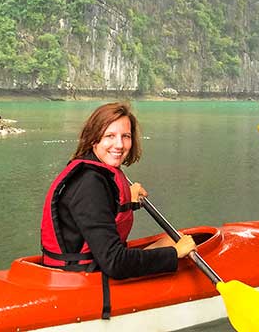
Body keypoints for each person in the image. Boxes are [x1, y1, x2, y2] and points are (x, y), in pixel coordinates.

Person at [40, 102, 196, 319]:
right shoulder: (89, 185)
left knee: (172, 239)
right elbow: (115, 263)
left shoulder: (96, 173)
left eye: (126, 136)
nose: (119, 145)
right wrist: (174, 254)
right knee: (174, 246)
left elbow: (97, 215)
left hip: (86, 267)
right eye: (110, 136)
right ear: (94, 138)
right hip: (83, 280)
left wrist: (127, 199)